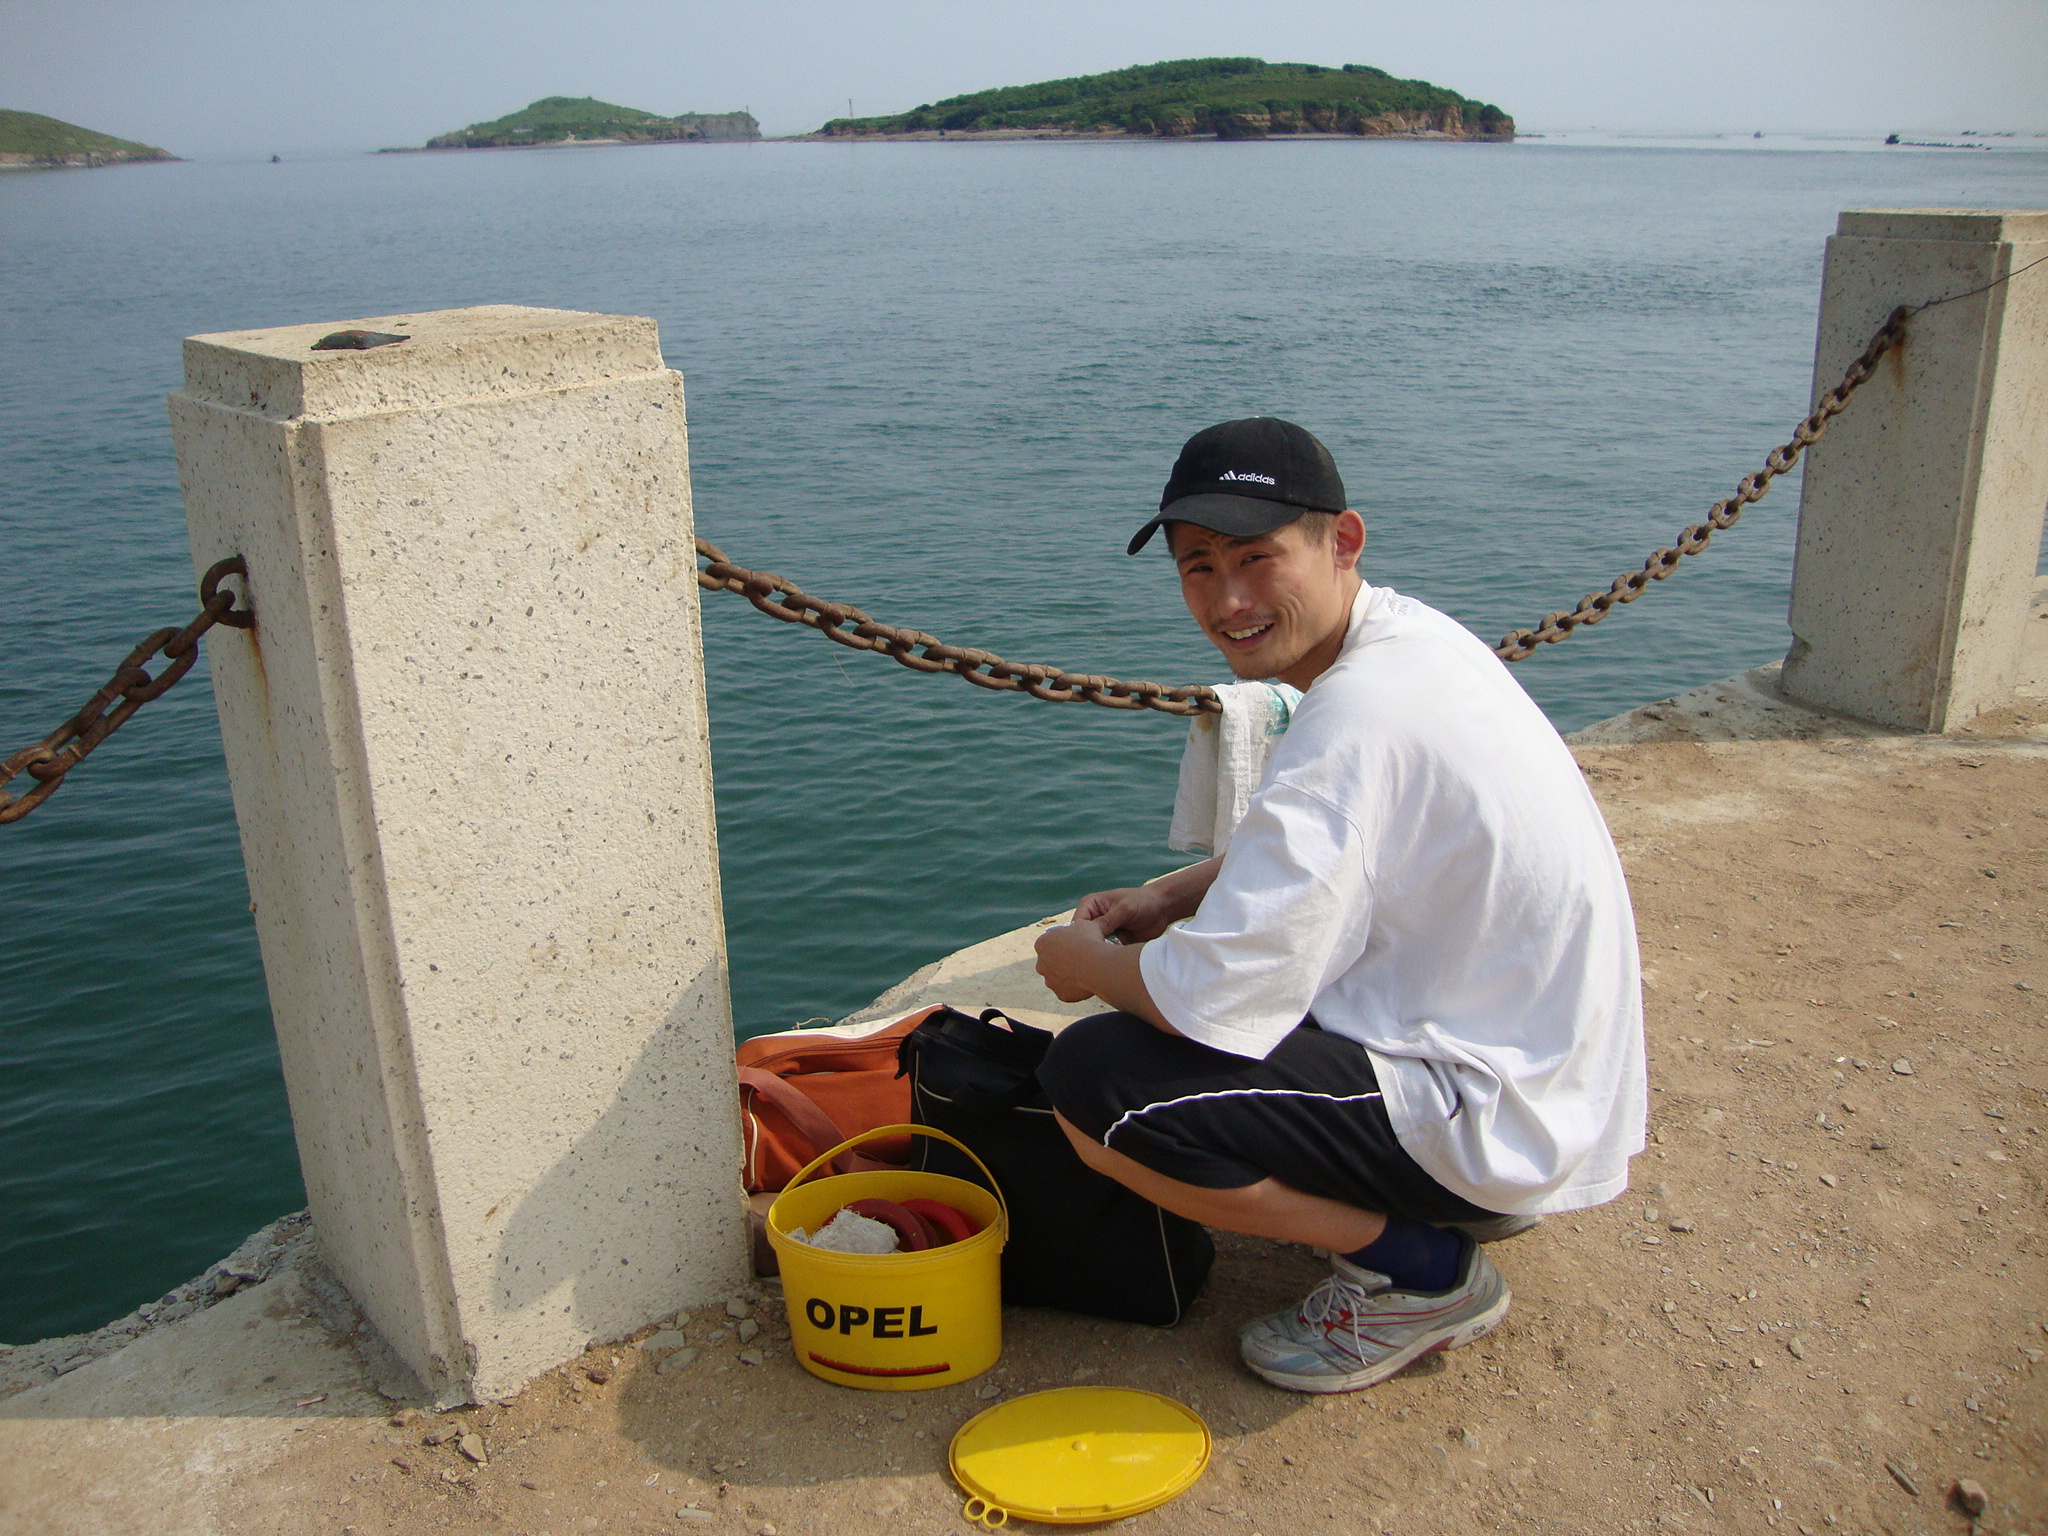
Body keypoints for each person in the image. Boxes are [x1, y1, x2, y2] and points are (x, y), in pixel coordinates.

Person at [1033, 417, 1644, 1394]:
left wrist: (1085, 967)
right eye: (1197, 566)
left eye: (1256, 557)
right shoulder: (1403, 641)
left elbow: (1210, 999)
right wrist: (1168, 895)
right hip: (1535, 1064)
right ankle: (1448, 1202)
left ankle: (1422, 1273)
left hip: (1489, 1103)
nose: (1227, 599)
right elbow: (1324, 849)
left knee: (1096, 1085)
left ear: (1340, 541)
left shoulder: (1356, 715)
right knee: (1210, 1005)